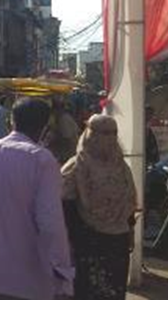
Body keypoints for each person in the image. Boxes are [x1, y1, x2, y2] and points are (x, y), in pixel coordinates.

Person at [0, 98, 73, 300]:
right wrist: (63, 274)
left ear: (12, 121)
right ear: (45, 128)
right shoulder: (42, 160)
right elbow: (50, 225)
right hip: (23, 283)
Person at [61, 115, 138, 300]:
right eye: (105, 133)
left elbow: (64, 206)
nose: (109, 139)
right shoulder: (122, 168)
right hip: (109, 242)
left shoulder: (77, 166)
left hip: (91, 242)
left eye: (113, 134)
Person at [46, 100, 81, 166]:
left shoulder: (63, 119)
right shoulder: (63, 117)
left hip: (68, 152)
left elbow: (68, 138)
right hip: (69, 151)